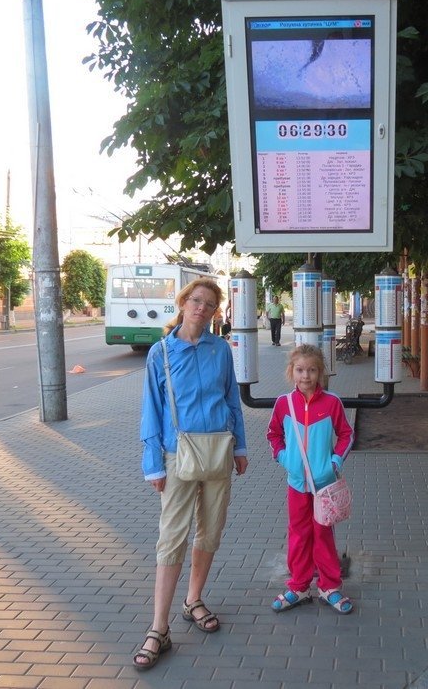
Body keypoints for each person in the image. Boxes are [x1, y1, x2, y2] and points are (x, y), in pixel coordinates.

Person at [133, 278, 249, 671]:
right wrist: (152, 463)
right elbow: (151, 408)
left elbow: (232, 397)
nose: (202, 308)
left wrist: (242, 447)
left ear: (216, 312)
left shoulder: (220, 350)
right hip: (175, 455)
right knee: (171, 539)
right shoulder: (161, 352)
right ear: (183, 304)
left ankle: (193, 599)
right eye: (196, 301)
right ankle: (158, 628)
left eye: (209, 304)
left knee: (210, 530)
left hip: (218, 451)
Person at [266, 344, 355, 614]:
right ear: (291, 371)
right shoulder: (284, 404)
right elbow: (273, 435)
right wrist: (285, 459)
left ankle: (329, 587)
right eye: (300, 370)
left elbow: (346, 435)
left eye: (312, 370)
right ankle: (299, 586)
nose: (306, 376)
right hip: (296, 484)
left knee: (323, 534)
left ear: (320, 372)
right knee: (298, 534)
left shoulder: (331, 403)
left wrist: (334, 462)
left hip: (323, 485)